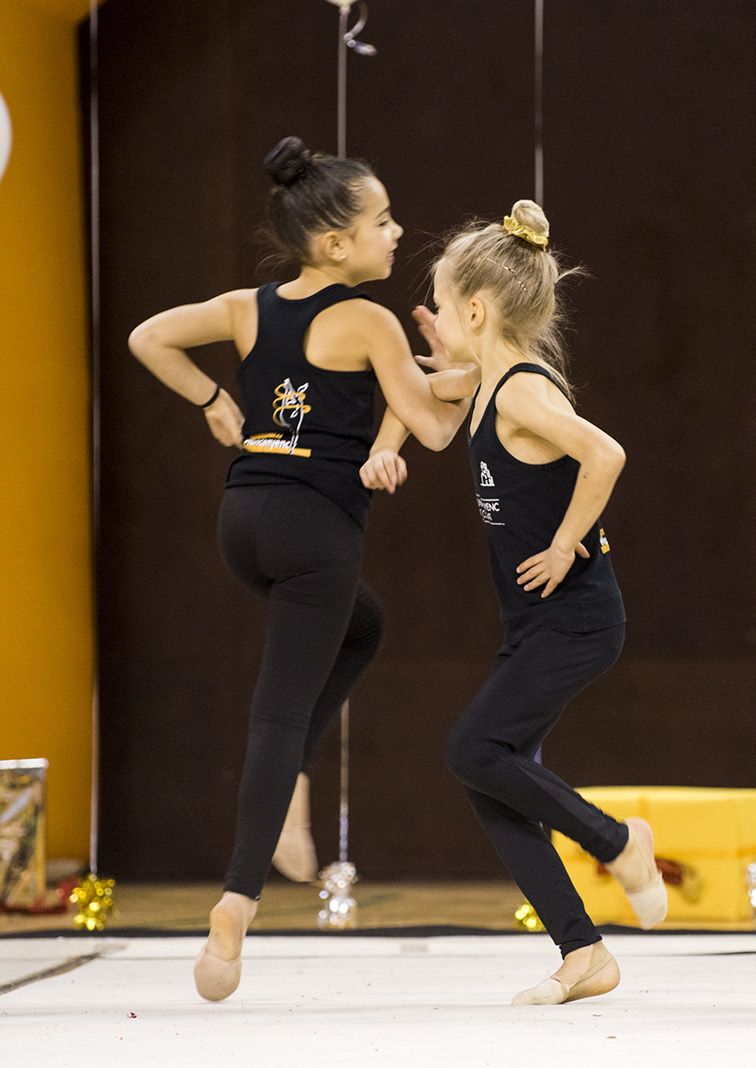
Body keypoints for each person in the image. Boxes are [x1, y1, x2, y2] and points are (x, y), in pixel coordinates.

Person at [127, 137, 468, 1001]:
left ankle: (295, 787)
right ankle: (236, 904)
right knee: (277, 715)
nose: (397, 233)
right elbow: (430, 429)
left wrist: (212, 400)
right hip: (314, 534)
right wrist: (463, 380)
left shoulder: (249, 306)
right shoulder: (370, 320)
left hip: (243, 525)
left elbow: (149, 337)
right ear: (335, 245)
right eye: (383, 221)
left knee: (367, 624)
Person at [416, 199, 666, 1006]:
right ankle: (583, 952)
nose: (436, 316)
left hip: (578, 617)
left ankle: (618, 843)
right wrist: (422, 364)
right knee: (491, 773)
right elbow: (432, 383)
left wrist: (564, 543)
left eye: (443, 302)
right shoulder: (487, 380)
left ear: (479, 310)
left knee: (472, 751)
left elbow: (607, 452)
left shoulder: (522, 392)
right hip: (536, 624)